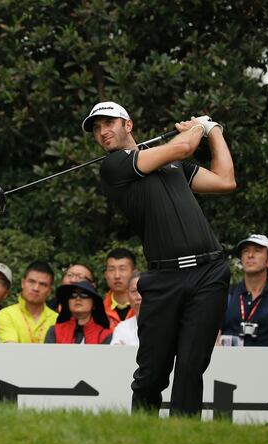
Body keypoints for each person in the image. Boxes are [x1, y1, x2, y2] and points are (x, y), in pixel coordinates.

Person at [86, 101, 235, 416]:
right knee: (152, 374)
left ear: (128, 124)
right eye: (97, 128)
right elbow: (182, 147)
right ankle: (143, 436)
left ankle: (182, 437)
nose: (102, 132)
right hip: (164, 279)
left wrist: (215, 131)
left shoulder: (173, 166)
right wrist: (199, 127)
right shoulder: (114, 167)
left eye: (108, 123)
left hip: (209, 272)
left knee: (191, 367)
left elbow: (225, 181)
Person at [220, 235, 268, 346]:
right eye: (246, 251)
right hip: (229, 362)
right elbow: (212, 332)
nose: (250, 255)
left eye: (257, 251)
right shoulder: (226, 294)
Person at [0, 261, 57, 344]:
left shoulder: (58, 320)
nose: (36, 288)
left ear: (49, 291)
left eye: (43, 284)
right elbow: (11, 350)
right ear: (23, 283)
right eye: (31, 282)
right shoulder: (6, 314)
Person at [45, 280, 112, 344]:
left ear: (94, 304)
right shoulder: (55, 331)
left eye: (84, 294)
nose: (78, 298)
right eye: (73, 295)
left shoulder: (104, 335)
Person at [103, 248, 137, 328]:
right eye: (111, 270)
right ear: (106, 275)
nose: (117, 276)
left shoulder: (144, 307)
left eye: (122, 269)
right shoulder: (99, 311)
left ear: (134, 273)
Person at [111, 272, 143, 346]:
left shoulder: (166, 325)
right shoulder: (122, 329)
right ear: (128, 295)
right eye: (134, 291)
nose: (139, 297)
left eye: (143, 291)